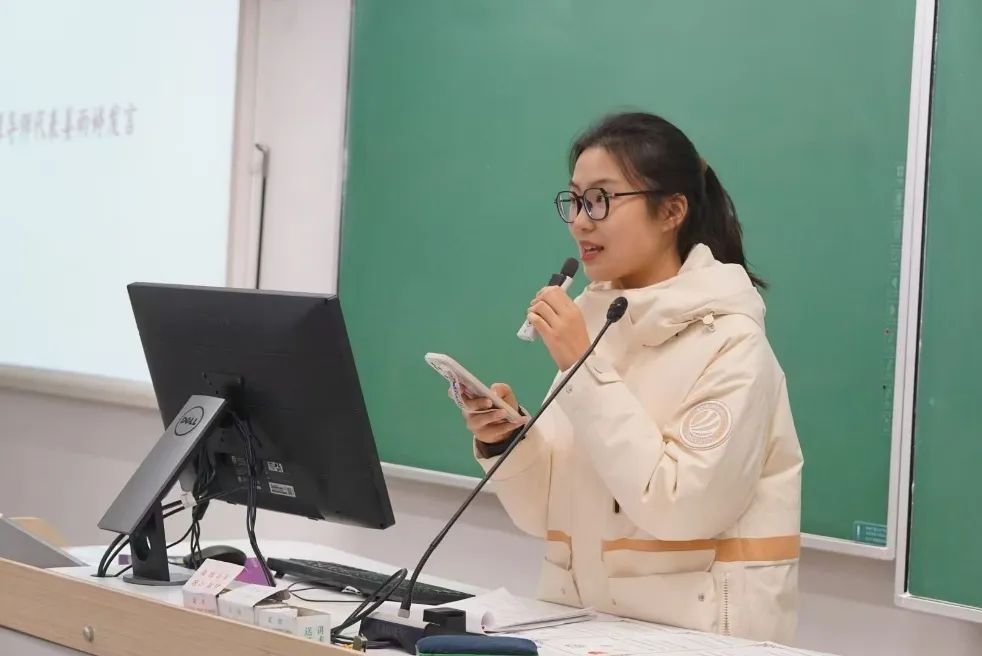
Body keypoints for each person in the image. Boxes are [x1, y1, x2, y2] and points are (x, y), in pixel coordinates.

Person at [455, 112, 803, 644]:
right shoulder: (597, 324)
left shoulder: (731, 341)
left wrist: (583, 367)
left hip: (693, 639)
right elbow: (546, 514)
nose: (580, 222)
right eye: (575, 200)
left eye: (601, 200)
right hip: (581, 628)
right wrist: (507, 439)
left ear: (672, 211)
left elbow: (681, 507)